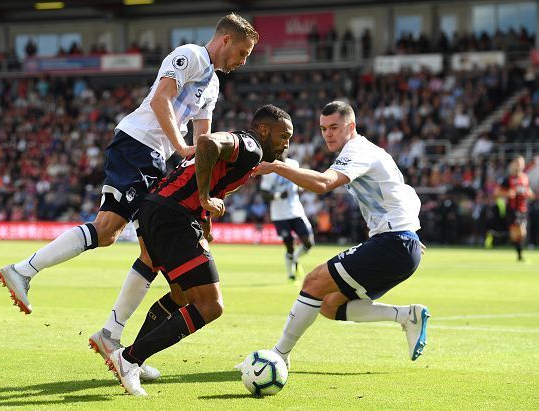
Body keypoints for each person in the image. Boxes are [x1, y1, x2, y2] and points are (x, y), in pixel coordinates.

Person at [0, 12, 258, 378]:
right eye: (243, 52)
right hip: (137, 145)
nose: (243, 61)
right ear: (226, 40)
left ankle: (110, 336)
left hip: (154, 157)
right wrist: (179, 145)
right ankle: (22, 271)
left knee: (150, 255)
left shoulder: (212, 85)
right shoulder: (192, 55)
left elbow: (204, 146)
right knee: (106, 231)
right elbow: (160, 101)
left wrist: (202, 202)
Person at [104, 104, 293, 396]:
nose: (286, 144)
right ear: (264, 130)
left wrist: (204, 219)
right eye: (283, 137)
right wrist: (204, 198)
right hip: (173, 215)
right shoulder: (251, 145)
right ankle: (129, 358)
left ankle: (134, 359)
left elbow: (207, 170)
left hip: (157, 209)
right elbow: (206, 142)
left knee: (181, 295)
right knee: (210, 305)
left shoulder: (248, 158)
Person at [243, 101, 430, 372]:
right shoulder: (371, 152)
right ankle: (406, 315)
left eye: (334, 127)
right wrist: (411, 231)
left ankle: (278, 355)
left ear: (351, 127)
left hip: (394, 243)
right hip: (399, 244)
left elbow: (323, 183)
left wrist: (275, 167)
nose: (328, 134)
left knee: (313, 281)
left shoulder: (357, 150)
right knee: (330, 305)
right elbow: (406, 192)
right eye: (323, 129)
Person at [259, 150, 314, 280]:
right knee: (289, 245)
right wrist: (278, 196)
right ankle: (291, 275)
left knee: (308, 242)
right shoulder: (269, 170)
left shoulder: (293, 164)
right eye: (277, 151)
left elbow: (298, 181)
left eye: (283, 150)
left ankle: (294, 259)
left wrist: (301, 187)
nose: (280, 153)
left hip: (296, 210)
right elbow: (264, 194)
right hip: (279, 215)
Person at [494, 155, 535, 261]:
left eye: (521, 163)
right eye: (517, 162)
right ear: (513, 164)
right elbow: (496, 192)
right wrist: (508, 193)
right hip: (512, 209)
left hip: (523, 209)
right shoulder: (507, 179)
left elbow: (529, 192)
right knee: (519, 232)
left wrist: (529, 194)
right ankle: (519, 254)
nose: (519, 165)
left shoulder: (525, 178)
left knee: (520, 234)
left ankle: (502, 237)